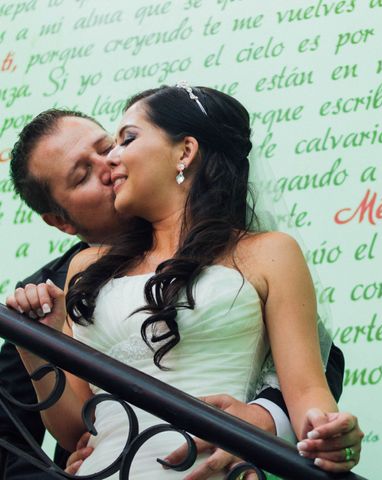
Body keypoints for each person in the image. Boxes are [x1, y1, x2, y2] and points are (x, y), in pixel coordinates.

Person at [5, 86, 362, 478]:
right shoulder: (71, 279)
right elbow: (58, 435)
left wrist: (284, 424)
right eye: (82, 174)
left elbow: (315, 381)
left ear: (185, 153)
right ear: (61, 221)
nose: (110, 161)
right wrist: (37, 347)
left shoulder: (267, 253)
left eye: (115, 143)